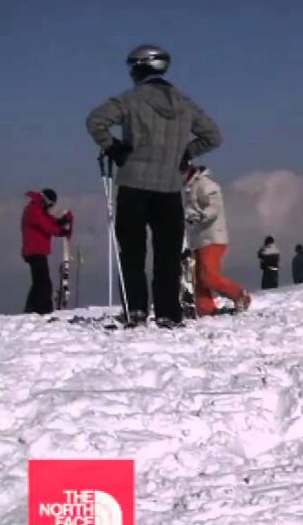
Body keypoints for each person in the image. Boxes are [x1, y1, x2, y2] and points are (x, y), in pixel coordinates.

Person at [86, 45, 223, 327]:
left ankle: (136, 309)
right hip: (170, 188)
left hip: (133, 185)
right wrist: (185, 153)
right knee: (168, 255)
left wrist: (115, 148)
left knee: (132, 252)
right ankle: (168, 312)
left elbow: (96, 121)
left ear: (139, 68)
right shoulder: (184, 103)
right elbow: (213, 136)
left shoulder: (130, 99)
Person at [182, 163, 250, 316]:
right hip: (199, 239)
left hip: (212, 237)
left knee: (209, 277)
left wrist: (200, 216)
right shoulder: (189, 188)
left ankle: (239, 294)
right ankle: (205, 310)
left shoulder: (205, 184)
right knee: (199, 279)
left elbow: (214, 206)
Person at [21, 189, 72, 315]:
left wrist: (60, 222)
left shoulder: (36, 209)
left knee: (39, 282)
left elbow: (48, 221)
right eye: (50, 205)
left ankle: (31, 308)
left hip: (37, 251)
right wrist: (61, 229)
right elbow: (47, 226)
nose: (50, 208)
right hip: (34, 251)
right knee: (43, 283)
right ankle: (44, 309)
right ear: (45, 201)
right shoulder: (33, 210)